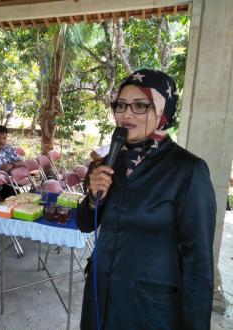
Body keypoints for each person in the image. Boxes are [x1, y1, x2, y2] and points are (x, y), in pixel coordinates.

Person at [76, 69, 216, 330]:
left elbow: (198, 262)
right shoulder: (111, 161)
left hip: (149, 310)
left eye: (140, 106)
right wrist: (93, 200)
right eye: (121, 105)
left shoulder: (188, 170)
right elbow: (85, 223)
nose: (126, 114)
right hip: (100, 295)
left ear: (163, 111)